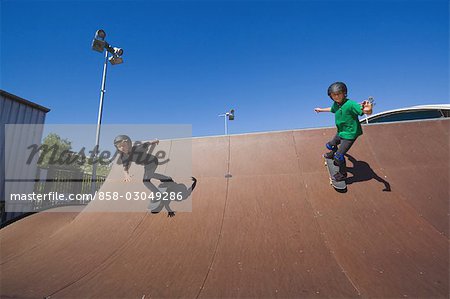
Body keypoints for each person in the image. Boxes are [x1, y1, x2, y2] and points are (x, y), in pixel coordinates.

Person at [314, 82, 373, 181]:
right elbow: (332, 109)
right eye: (333, 95)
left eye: (338, 94)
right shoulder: (336, 104)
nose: (336, 97)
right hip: (341, 132)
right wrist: (321, 110)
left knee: (339, 157)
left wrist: (369, 109)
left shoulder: (351, 104)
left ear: (344, 93)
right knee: (330, 145)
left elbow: (365, 111)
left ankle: (342, 174)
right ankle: (333, 153)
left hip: (350, 134)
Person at [113, 135, 174, 215]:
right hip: (146, 164)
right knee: (150, 175)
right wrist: (126, 175)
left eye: (124, 145)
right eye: (119, 147)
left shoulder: (138, 148)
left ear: (129, 144)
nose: (122, 148)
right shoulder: (124, 156)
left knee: (146, 180)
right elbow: (125, 168)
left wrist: (155, 141)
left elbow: (148, 143)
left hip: (152, 161)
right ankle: (167, 179)